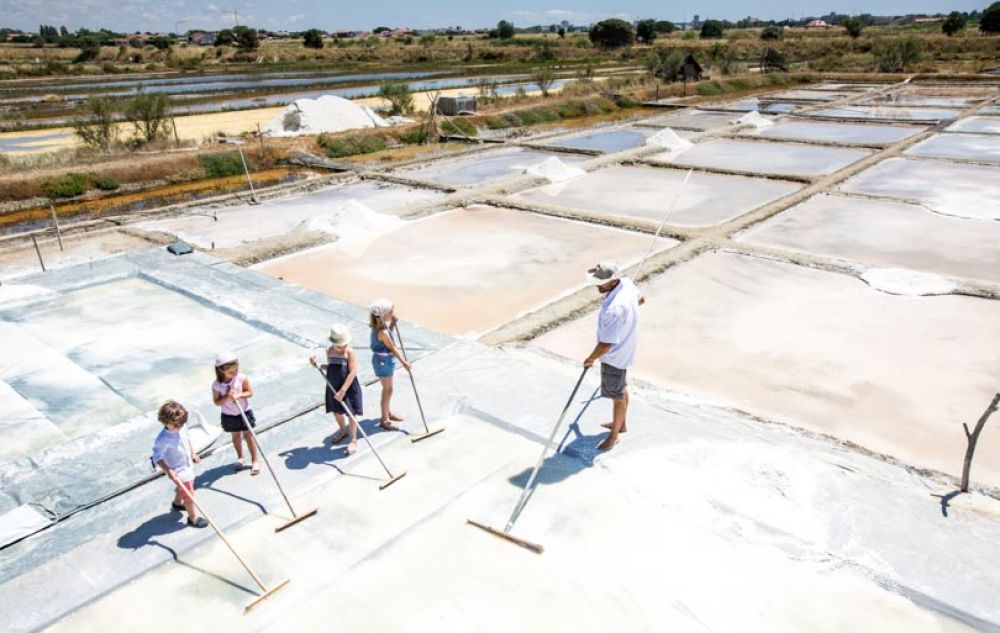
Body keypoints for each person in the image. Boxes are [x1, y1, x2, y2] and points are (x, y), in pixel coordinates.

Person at [582, 262, 644, 451]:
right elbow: (641, 301)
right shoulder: (627, 283)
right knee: (621, 388)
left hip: (614, 357)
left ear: (613, 280)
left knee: (616, 396)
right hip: (626, 348)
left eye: (602, 283)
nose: (598, 287)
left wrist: (590, 358)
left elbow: (606, 343)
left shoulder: (614, 309)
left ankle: (614, 436)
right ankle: (621, 424)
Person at [152, 400, 208, 528]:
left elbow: (187, 439)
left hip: (187, 463)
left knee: (183, 488)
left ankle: (177, 503)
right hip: (179, 470)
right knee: (189, 496)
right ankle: (193, 518)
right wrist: (168, 470)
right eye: (178, 425)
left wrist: (193, 453)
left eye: (183, 423)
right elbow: (157, 457)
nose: (181, 426)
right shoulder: (163, 439)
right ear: (166, 422)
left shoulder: (181, 427)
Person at [310, 323, 362, 455]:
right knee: (336, 411)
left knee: (351, 412)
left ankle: (353, 439)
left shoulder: (349, 351)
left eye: (344, 343)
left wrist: (343, 390)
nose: (342, 346)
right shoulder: (329, 350)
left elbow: (353, 371)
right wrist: (318, 365)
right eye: (339, 344)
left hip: (347, 386)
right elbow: (331, 367)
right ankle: (342, 430)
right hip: (333, 385)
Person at [212, 351, 260, 475]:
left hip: (244, 411)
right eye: (231, 371)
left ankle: (255, 460)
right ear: (221, 370)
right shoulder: (217, 385)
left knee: (248, 436)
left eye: (236, 369)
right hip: (229, 415)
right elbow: (217, 402)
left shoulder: (241, 378)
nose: (235, 372)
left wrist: (239, 395)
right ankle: (240, 457)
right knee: (235, 436)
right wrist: (227, 397)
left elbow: (250, 392)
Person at [369, 298, 412, 430]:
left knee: (388, 389)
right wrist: (404, 363)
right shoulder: (382, 332)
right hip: (383, 362)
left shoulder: (382, 327)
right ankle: (385, 420)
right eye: (390, 312)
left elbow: (389, 336)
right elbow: (392, 347)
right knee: (388, 390)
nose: (393, 314)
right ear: (383, 315)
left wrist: (392, 324)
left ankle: (387, 412)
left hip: (384, 360)